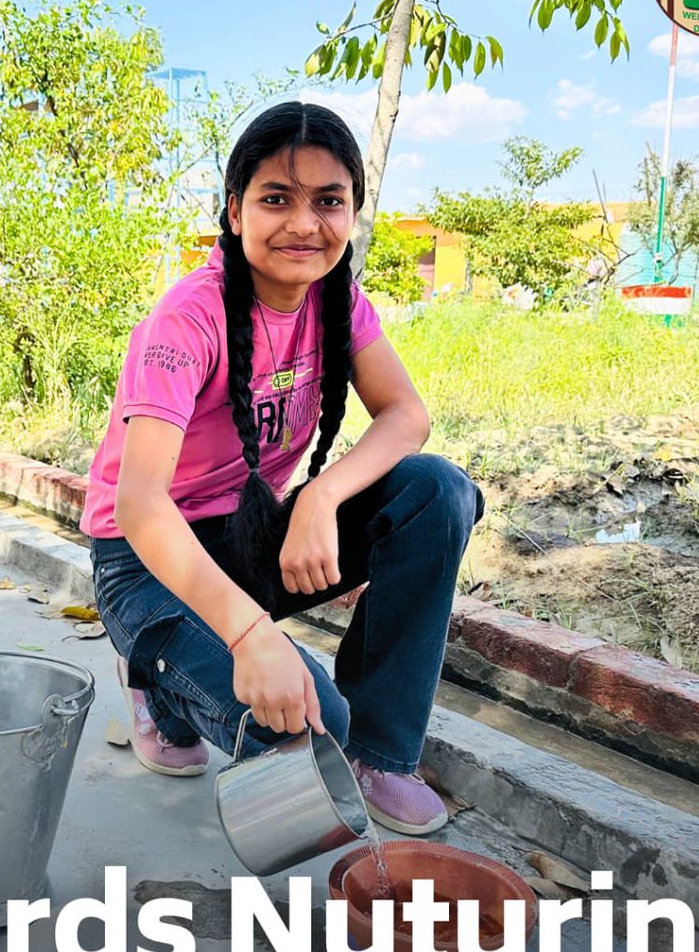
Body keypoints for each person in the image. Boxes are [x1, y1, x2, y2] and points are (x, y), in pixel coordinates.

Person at [80, 101, 484, 835]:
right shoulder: (185, 321)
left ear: (354, 212)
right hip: (145, 562)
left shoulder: (339, 302)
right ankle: (157, 683)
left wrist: (319, 499)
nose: (305, 224)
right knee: (305, 720)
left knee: (439, 493)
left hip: (251, 534)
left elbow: (406, 416)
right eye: (276, 199)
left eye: (329, 201)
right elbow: (139, 504)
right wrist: (248, 636)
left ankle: (380, 754)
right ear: (233, 212)